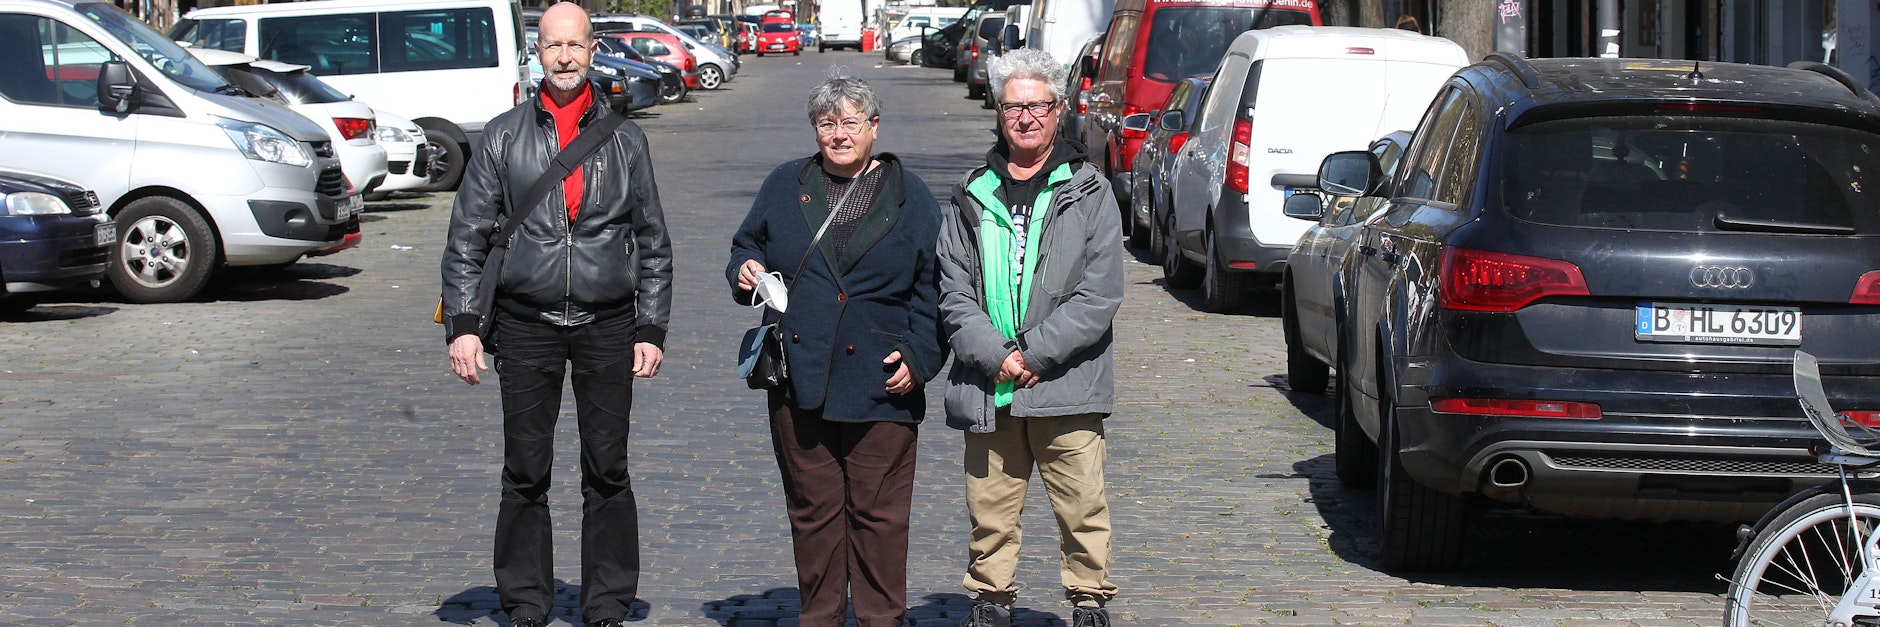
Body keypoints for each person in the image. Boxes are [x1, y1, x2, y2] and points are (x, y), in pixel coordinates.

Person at [439, 3, 672, 626]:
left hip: (607, 323)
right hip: (523, 322)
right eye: (552, 46)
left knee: (608, 469)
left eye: (574, 44)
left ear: (592, 49)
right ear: (536, 54)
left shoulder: (626, 138)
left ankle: (606, 603)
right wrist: (464, 327)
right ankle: (524, 601)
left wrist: (651, 326)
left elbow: (651, 238)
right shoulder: (502, 134)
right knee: (524, 470)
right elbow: (467, 236)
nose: (564, 56)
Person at [726, 74, 945, 627]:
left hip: (882, 380)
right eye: (828, 123)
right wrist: (744, 270)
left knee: (880, 520)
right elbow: (746, 244)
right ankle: (820, 617)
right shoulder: (786, 184)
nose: (839, 134)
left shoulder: (910, 195)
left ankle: (880, 620)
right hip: (800, 378)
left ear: (874, 127)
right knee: (814, 516)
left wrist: (920, 358)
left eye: (851, 122)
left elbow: (934, 289)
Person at [937, 47, 1123, 627]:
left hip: (1065, 379)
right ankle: (991, 598)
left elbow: (1100, 294)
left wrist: (1035, 352)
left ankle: (1089, 601)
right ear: (998, 110)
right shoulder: (972, 191)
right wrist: (997, 356)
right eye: (1014, 106)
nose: (1026, 118)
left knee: (1082, 505)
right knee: (989, 506)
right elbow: (953, 289)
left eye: (1038, 106)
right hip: (990, 383)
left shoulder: (1090, 191)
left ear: (1059, 109)